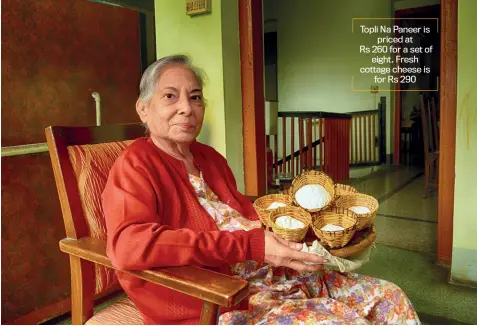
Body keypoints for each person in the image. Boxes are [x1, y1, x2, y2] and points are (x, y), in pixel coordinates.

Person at [102, 54, 420, 325]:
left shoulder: (208, 157)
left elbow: (241, 214)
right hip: (218, 294)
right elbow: (128, 246)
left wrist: (304, 236)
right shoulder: (136, 164)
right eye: (170, 96)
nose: (187, 107)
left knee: (390, 297)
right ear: (143, 109)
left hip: (270, 273)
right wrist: (250, 246)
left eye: (195, 96)